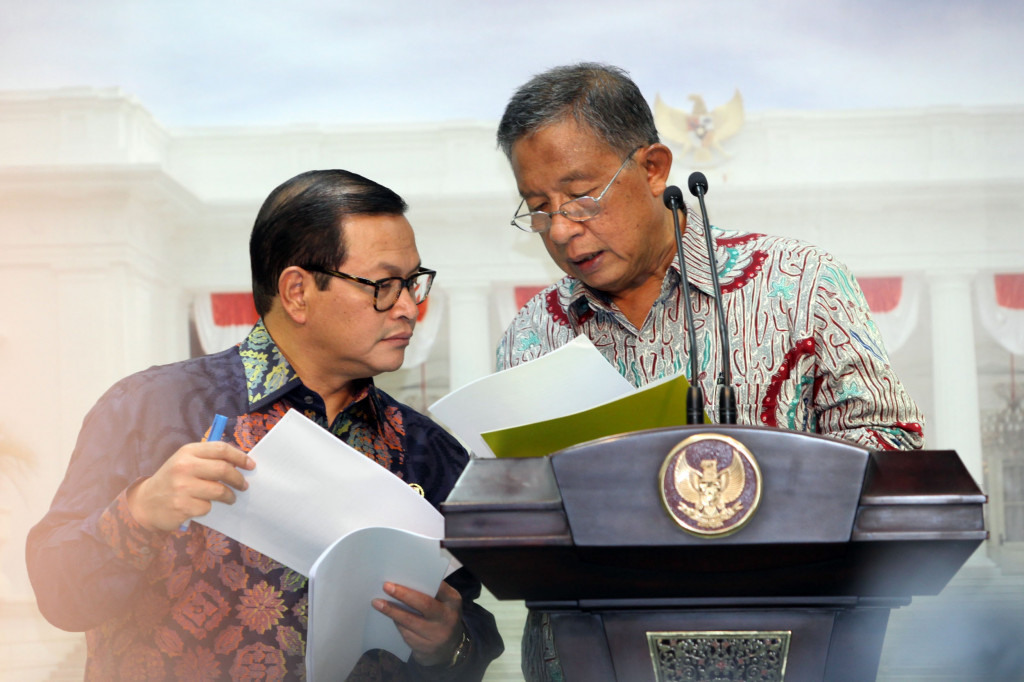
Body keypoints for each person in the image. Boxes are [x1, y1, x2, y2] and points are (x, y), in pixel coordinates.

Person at [494, 62, 925, 680]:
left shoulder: (801, 284)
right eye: (539, 208)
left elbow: (895, 453)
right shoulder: (535, 332)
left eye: (582, 196)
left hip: (787, 648)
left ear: (653, 169)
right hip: (588, 655)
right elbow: (518, 510)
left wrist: (753, 491)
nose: (562, 230)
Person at [26, 169, 503, 681]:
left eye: (412, 282)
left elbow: (468, 627)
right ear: (297, 291)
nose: (410, 307)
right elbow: (59, 598)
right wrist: (140, 512)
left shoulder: (427, 450)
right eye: (384, 285)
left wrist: (447, 641)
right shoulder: (148, 408)